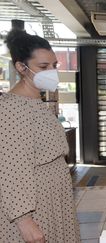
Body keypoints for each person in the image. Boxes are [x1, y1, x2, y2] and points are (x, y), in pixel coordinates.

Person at [0, 29, 80, 242]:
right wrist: (24, 221)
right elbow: (10, 168)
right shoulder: (10, 108)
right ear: (21, 67)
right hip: (35, 204)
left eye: (54, 65)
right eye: (43, 67)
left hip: (53, 197)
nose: (52, 71)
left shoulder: (36, 103)